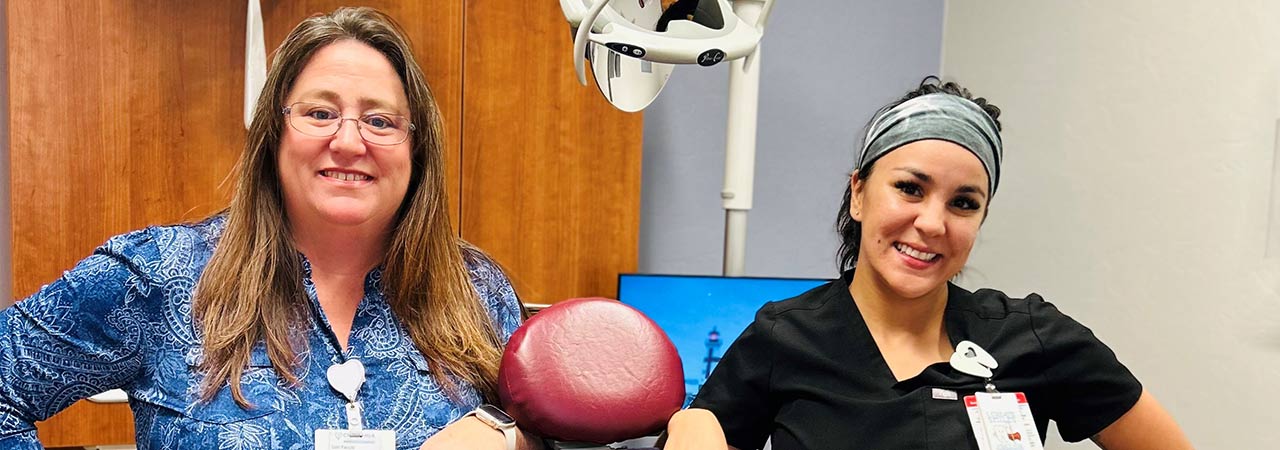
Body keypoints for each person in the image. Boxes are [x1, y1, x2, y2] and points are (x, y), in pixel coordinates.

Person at [0, 7, 541, 450]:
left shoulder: (477, 291)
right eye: (320, 113)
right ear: (273, 138)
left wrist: (506, 431)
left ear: (416, 148)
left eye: (380, 121)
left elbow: (549, 426)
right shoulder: (158, 276)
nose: (350, 142)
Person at [662, 78, 1193, 449]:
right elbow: (701, 432)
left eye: (963, 202)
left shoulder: (1034, 336)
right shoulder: (786, 337)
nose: (933, 223)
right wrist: (692, 428)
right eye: (910, 188)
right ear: (859, 193)